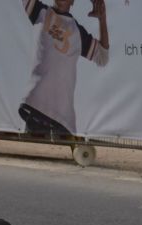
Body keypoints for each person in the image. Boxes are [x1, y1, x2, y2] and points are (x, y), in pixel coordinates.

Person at [17, 0, 110, 140]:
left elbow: (103, 57)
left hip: (63, 118)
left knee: (64, 160)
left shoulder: (77, 32)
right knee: (33, 155)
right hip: (36, 107)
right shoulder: (41, 12)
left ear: (73, 2)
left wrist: (102, 19)